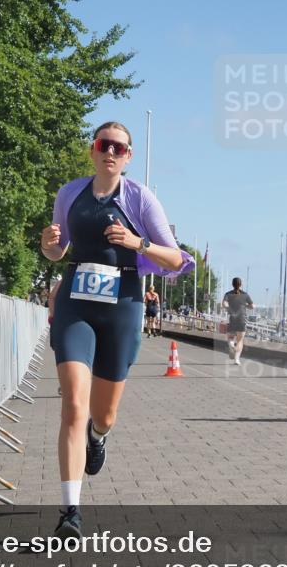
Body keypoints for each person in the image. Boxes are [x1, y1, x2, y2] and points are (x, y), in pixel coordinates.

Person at [41, 121, 194, 538]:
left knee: (103, 413)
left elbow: (176, 260)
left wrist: (136, 242)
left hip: (122, 306)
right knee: (74, 403)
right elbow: (59, 250)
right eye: (103, 144)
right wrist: (48, 244)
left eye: (119, 147)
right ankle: (70, 511)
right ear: (93, 149)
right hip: (76, 302)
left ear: (128, 156)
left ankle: (98, 436)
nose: (111, 151)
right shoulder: (70, 193)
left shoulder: (141, 199)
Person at [221, 277, 254, 366]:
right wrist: (245, 305)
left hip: (232, 318)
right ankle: (237, 359)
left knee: (230, 337)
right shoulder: (245, 295)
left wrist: (228, 308)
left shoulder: (228, 294)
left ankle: (231, 345)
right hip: (242, 319)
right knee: (240, 340)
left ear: (232, 284)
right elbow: (252, 306)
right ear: (241, 284)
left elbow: (224, 303)